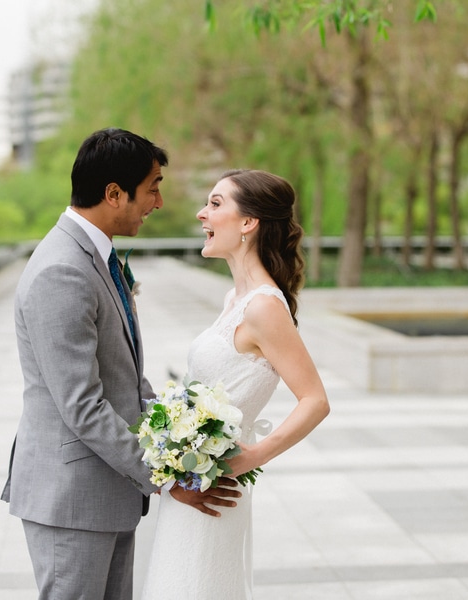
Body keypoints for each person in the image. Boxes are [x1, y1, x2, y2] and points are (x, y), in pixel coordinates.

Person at [0, 128, 240, 600]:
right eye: (152, 187)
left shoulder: (95, 257)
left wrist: (182, 439)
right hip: (72, 500)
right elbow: (82, 405)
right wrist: (166, 479)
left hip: (104, 492)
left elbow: (123, 377)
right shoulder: (62, 270)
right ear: (114, 193)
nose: (159, 201)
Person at [140, 169, 331, 599]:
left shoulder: (264, 308)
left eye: (215, 203)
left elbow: (315, 400)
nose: (200, 213)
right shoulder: (235, 300)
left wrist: (254, 455)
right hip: (191, 485)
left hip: (217, 486)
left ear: (249, 223)